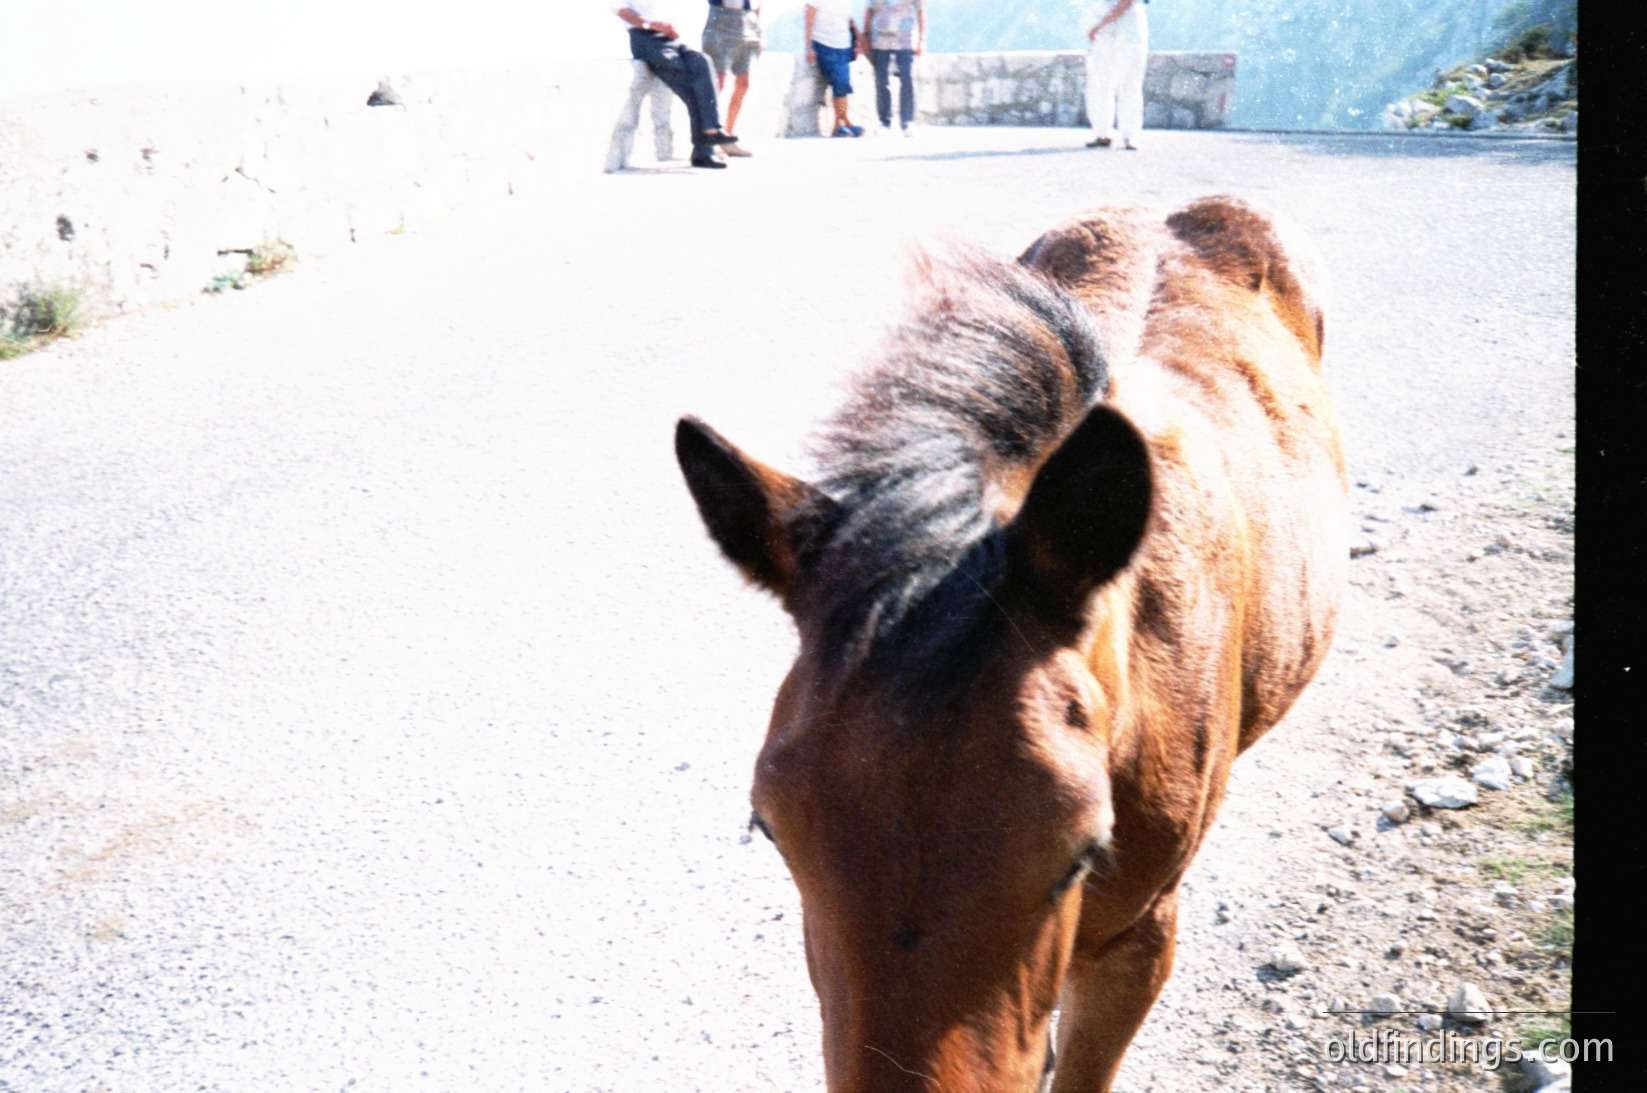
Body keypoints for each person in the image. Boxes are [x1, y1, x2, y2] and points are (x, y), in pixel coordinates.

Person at [614, 1, 742, 168]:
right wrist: (648, 24)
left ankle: (711, 132)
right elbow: (622, 10)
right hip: (645, 39)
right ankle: (705, 147)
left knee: (702, 61)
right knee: (691, 87)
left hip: (672, 37)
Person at [701, 1, 762, 157]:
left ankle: (728, 136)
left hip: (747, 26)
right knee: (717, 83)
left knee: (743, 84)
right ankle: (708, 136)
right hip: (721, 22)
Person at [1084, 0, 1148, 150]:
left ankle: (1129, 135)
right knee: (1099, 83)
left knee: (1129, 83)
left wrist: (1101, 24)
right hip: (1104, 29)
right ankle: (1102, 133)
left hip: (1127, 28)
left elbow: (1126, 2)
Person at [863, 0, 924, 135]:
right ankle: (885, 122)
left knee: (907, 77)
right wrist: (865, 36)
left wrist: (921, 40)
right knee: (881, 80)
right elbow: (869, 10)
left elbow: (920, 10)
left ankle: (908, 122)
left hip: (905, 39)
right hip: (880, 39)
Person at [806, 0, 863, 137]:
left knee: (843, 85)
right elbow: (808, 20)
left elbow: (850, 21)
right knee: (840, 83)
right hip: (824, 44)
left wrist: (859, 41)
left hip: (843, 45)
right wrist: (809, 47)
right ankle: (840, 124)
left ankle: (843, 123)